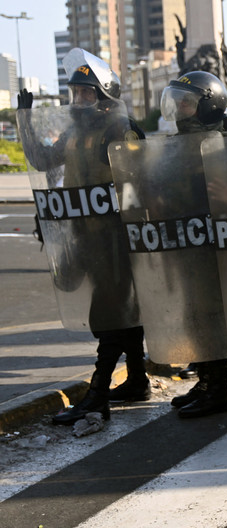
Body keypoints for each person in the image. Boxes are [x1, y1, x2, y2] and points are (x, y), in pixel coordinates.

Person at [18, 49, 147, 426]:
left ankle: (97, 393)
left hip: (116, 239)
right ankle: (136, 379)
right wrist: (25, 122)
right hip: (87, 238)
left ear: (105, 96)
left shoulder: (121, 131)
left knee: (107, 314)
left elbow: (140, 184)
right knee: (120, 313)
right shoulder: (76, 132)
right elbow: (42, 161)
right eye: (75, 93)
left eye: (87, 93)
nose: (79, 101)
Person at [160, 71, 227, 419]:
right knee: (194, 316)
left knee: (210, 317)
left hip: (212, 249)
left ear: (208, 106)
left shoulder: (217, 146)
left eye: (187, 102)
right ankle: (205, 381)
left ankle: (217, 388)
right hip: (185, 245)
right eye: (177, 100)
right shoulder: (179, 143)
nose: (179, 108)